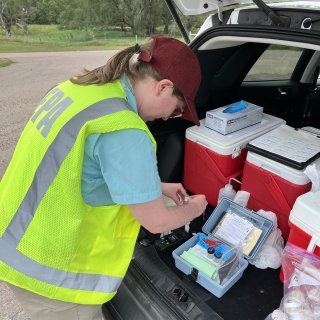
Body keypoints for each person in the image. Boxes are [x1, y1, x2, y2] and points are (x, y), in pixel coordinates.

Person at [0, 35, 207, 320]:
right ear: (163, 87)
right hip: (51, 272)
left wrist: (154, 187)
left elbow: (79, 169)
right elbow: (156, 221)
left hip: (17, 238)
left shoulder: (80, 89)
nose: (170, 116)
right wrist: (194, 208)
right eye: (177, 109)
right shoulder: (124, 128)